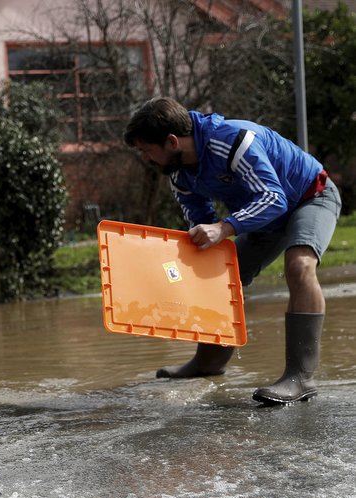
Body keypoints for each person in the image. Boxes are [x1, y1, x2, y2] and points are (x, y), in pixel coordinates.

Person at [123, 96, 341, 404]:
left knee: (299, 265)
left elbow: (274, 198)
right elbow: (200, 221)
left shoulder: (233, 141)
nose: (145, 158)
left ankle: (300, 377)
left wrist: (225, 227)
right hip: (265, 215)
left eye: (147, 150)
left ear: (172, 142)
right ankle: (209, 362)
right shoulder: (178, 173)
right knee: (218, 275)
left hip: (310, 197)